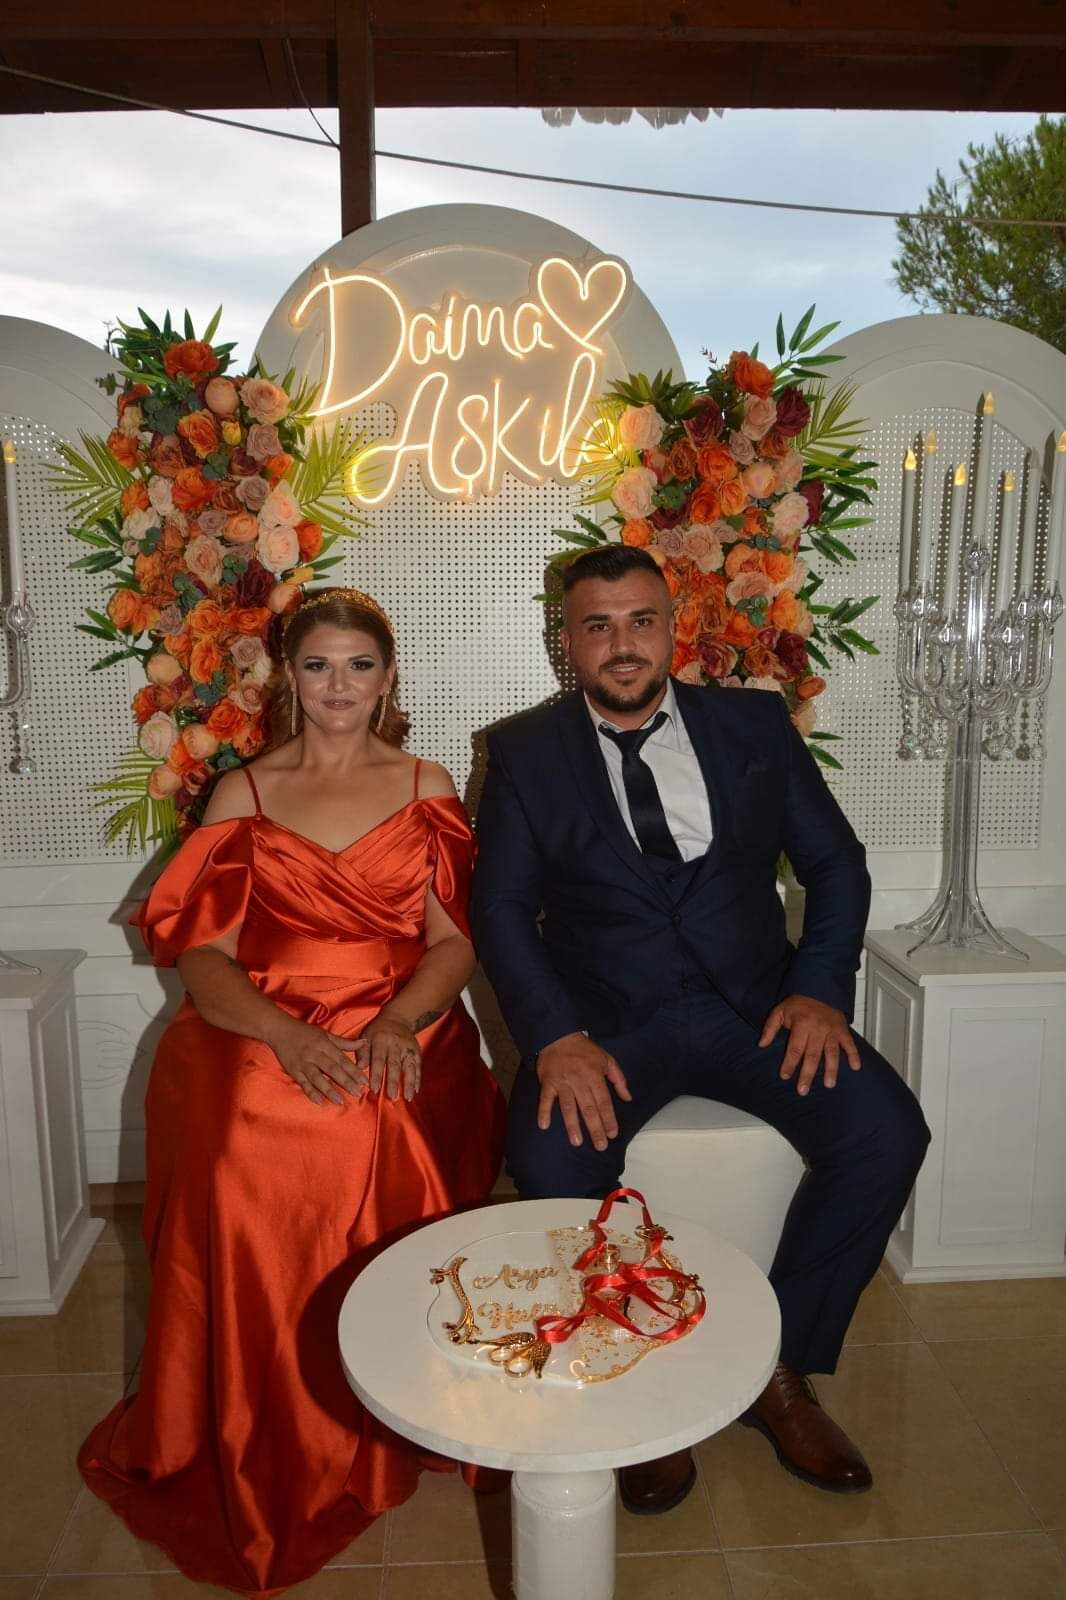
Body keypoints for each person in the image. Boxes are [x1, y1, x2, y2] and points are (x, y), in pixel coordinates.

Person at [470, 545, 930, 1514]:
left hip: (756, 1011)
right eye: (597, 626)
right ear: (566, 642)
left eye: (641, 620)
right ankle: (637, 1385)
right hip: (607, 1027)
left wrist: (819, 989)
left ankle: (777, 1368)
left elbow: (835, 864)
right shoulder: (522, 752)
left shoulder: (752, 724)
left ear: (674, 628)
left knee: (886, 1132)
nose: (621, 644)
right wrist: (554, 1037)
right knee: (549, 1162)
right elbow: (502, 910)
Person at [80, 587, 505, 1598]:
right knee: (243, 1137)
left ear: (388, 676)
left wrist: (398, 1021)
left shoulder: (427, 784)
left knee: (386, 1121)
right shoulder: (244, 793)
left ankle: (393, 1408)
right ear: (290, 677)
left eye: (358, 665)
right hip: (261, 1021)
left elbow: (454, 942)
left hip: (400, 1013)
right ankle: (260, 1414)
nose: (338, 687)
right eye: (318, 666)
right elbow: (205, 961)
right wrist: (287, 1035)